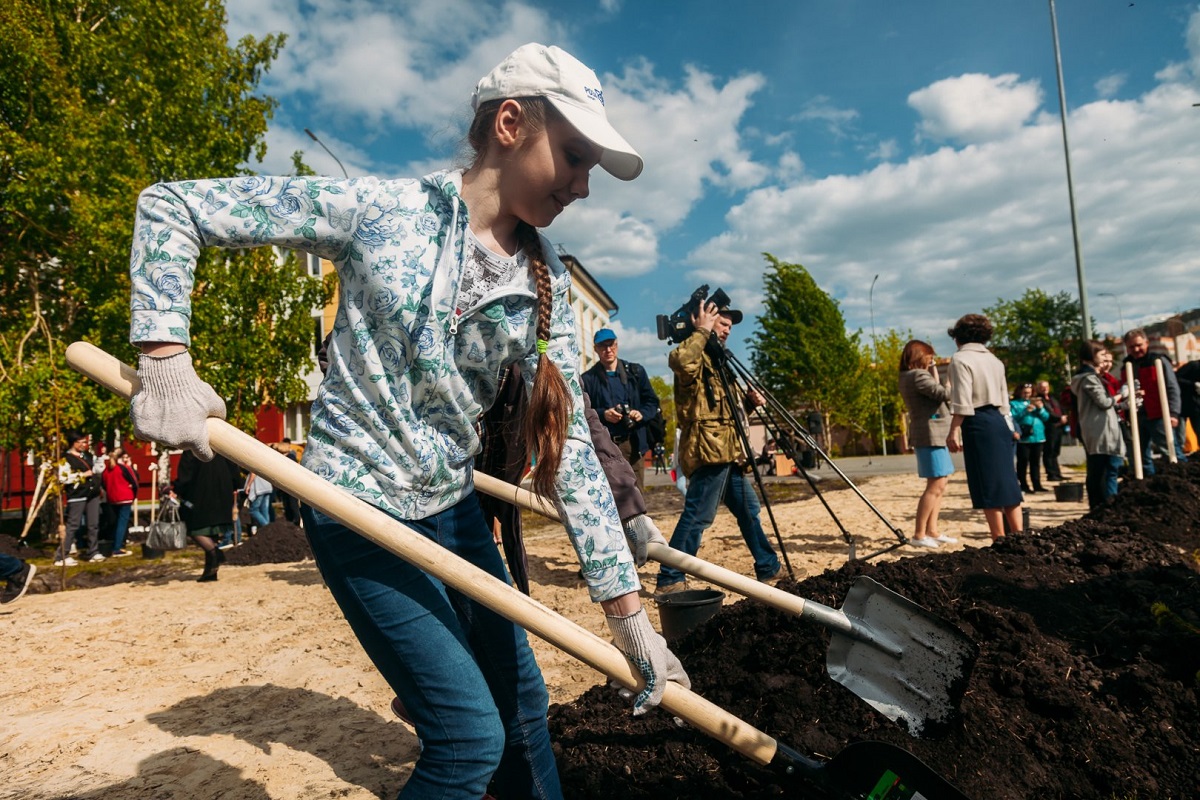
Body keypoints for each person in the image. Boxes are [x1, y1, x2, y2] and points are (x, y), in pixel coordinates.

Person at [126, 43, 688, 799]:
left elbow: (574, 453)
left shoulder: (543, 278)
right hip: (354, 508)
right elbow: (174, 205)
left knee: (523, 706)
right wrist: (164, 353)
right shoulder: (382, 213)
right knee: (465, 739)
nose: (584, 187)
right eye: (576, 157)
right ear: (511, 124)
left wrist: (628, 615)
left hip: (453, 512)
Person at [655, 299, 783, 595]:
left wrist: (749, 405)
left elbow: (723, 415)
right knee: (698, 515)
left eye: (728, 326)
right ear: (704, 320)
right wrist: (702, 330)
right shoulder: (694, 351)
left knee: (749, 508)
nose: (726, 330)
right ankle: (669, 577)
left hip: (728, 451)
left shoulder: (716, 358)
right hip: (709, 450)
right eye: (721, 323)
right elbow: (681, 362)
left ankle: (768, 567)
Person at [945, 314, 1024, 543]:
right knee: (1007, 479)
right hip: (999, 421)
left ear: (957, 336)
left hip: (978, 423)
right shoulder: (995, 361)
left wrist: (953, 431)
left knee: (988, 481)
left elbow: (962, 401)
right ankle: (1019, 536)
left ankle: (998, 539)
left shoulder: (961, 359)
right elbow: (1004, 401)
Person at [581, 328, 659, 492]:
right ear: (595, 349)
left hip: (633, 443)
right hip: (605, 445)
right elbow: (583, 411)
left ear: (617, 345)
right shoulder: (588, 379)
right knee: (612, 494)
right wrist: (603, 414)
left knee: (636, 494)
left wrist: (641, 413)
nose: (608, 350)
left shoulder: (635, 372)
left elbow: (652, 402)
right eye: (602, 346)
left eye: (611, 345)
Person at [897, 339, 957, 549]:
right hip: (930, 434)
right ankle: (919, 534)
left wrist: (934, 373)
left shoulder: (909, 376)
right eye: (929, 356)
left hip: (931, 435)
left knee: (940, 483)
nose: (932, 360)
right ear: (919, 357)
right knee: (936, 485)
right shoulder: (917, 376)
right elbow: (943, 394)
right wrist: (949, 381)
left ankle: (931, 530)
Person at [1071, 341, 1129, 507]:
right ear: (1090, 356)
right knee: (1105, 470)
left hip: (1101, 428)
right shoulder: (1089, 378)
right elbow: (1103, 402)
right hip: (1100, 430)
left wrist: (1123, 405)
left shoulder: (1091, 378)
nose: (1105, 359)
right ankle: (1106, 506)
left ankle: (1100, 506)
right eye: (1102, 355)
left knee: (1101, 470)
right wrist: (1121, 395)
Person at [1122, 328, 1187, 474]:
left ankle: (1182, 479)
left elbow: (1172, 387)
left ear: (1146, 343)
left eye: (1139, 345)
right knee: (1140, 456)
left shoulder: (1158, 360)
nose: (1136, 349)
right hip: (1137, 417)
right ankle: (1147, 484)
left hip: (1159, 415)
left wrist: (1173, 413)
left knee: (1171, 452)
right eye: (1131, 347)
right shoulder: (1127, 365)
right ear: (1126, 347)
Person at [173, 450, 240, 582]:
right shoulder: (222, 448)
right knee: (211, 533)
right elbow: (234, 469)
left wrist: (177, 489)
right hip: (222, 492)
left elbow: (185, 475)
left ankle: (216, 553)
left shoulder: (192, 450)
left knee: (194, 529)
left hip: (200, 494)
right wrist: (235, 485)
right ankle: (210, 571)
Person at [55, 431, 104, 565]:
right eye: (81, 442)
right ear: (73, 443)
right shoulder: (66, 459)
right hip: (77, 494)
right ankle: (62, 555)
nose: (84, 445)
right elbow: (63, 478)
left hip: (92, 493)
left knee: (93, 524)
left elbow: (95, 469)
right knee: (73, 525)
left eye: (85, 442)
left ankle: (93, 551)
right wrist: (82, 475)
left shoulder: (88, 456)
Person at [1010, 383, 1050, 494]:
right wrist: (1025, 411)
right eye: (1024, 392)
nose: (1027, 395)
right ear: (1019, 392)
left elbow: (1046, 417)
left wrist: (1040, 408)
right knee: (1023, 462)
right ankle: (1023, 485)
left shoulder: (1037, 402)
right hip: (1024, 438)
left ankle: (1037, 484)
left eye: (1029, 392)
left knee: (1036, 462)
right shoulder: (1014, 404)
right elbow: (1012, 418)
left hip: (1038, 436)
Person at [101, 446, 139, 557]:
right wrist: (134, 494)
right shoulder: (124, 468)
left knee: (115, 522)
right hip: (125, 497)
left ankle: (116, 544)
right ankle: (117, 547)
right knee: (122, 522)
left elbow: (103, 484)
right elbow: (135, 481)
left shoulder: (106, 470)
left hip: (112, 498)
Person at [1035, 380, 1068, 481]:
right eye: (1042, 387)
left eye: (1046, 387)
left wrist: (1064, 417)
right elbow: (1047, 413)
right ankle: (1051, 473)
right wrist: (1059, 418)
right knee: (1049, 451)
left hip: (1058, 427)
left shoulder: (1052, 398)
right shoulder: (1039, 400)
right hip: (1049, 427)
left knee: (1055, 451)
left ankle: (1057, 472)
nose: (1045, 389)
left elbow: (1060, 408)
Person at [243, 469, 273, 535]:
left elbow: (253, 472)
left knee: (253, 510)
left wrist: (248, 485)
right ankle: (267, 531)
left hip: (259, 488)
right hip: (267, 486)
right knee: (264, 510)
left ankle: (268, 528)